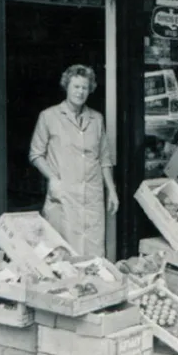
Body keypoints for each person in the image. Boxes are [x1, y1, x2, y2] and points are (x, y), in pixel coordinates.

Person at [29, 64, 119, 257]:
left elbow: (104, 158)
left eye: (84, 87)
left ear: (90, 90)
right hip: (64, 193)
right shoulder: (49, 116)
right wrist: (53, 178)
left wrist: (111, 191)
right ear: (67, 87)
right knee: (63, 253)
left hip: (92, 195)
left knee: (93, 253)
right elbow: (36, 154)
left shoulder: (96, 119)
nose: (80, 92)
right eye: (76, 86)